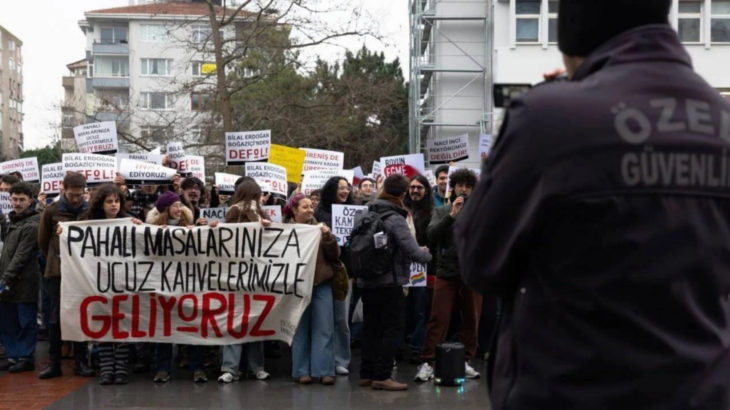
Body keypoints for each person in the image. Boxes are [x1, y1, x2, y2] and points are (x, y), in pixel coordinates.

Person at [456, 0, 730, 407]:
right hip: (700, 390)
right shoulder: (722, 121)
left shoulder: (549, 118)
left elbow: (480, 260)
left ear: (575, 32)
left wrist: (521, 131)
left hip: (572, 389)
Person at [357, 174, 432, 391]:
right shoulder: (395, 218)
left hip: (367, 281)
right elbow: (412, 251)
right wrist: (427, 255)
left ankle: (366, 373)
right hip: (390, 282)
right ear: (401, 194)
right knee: (392, 328)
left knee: (371, 328)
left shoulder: (366, 212)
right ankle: (383, 375)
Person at [415, 169, 481, 382]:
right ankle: (428, 361)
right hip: (447, 272)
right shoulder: (442, 211)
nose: (464, 189)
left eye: (468, 186)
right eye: (460, 185)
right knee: (438, 318)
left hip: (472, 273)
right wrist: (452, 216)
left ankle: (466, 360)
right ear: (453, 188)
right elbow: (431, 235)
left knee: (472, 319)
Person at [37, 172, 94, 379]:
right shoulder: (51, 211)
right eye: (72, 195)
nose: (76, 199)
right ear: (63, 189)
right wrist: (56, 259)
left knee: (79, 317)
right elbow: (43, 241)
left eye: (79, 195)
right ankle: (54, 364)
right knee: (54, 319)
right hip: (57, 273)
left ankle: (81, 363)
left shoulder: (89, 211)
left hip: (81, 274)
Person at [148, 191, 208, 383]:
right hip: (163, 286)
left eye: (180, 205)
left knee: (192, 327)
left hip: (188, 286)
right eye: (174, 205)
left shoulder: (189, 226)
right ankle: (163, 368)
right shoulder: (153, 229)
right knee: (164, 328)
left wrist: (207, 229)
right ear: (166, 209)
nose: (179, 209)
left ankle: (197, 367)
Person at [217, 180, 272, 383]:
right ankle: (231, 367)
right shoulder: (234, 210)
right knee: (234, 321)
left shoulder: (262, 213)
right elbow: (229, 237)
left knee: (255, 321)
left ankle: (256, 366)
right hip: (236, 274)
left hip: (256, 274)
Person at [284, 194, 339, 385]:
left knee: (324, 328)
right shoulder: (283, 231)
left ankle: (324, 370)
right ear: (294, 209)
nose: (310, 210)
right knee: (300, 329)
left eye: (311, 207)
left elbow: (335, 255)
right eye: (305, 207)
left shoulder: (320, 228)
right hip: (296, 286)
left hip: (320, 283)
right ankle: (301, 371)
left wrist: (328, 237)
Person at [0, 182, 41, 373]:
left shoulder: (33, 223)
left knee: (25, 321)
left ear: (30, 201)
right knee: (7, 320)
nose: (17, 203)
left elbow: (21, 256)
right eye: (14, 199)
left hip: (24, 281)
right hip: (7, 280)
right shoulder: (12, 222)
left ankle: (25, 356)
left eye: (21, 200)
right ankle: (13, 355)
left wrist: (5, 278)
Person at [314, 176, 353, 376]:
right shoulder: (318, 213)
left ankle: (341, 360)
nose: (345, 191)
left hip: (345, 272)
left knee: (341, 320)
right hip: (324, 271)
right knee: (324, 320)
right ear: (331, 190)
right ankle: (324, 359)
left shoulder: (355, 212)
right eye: (341, 188)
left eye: (347, 188)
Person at [402, 174, 434, 363]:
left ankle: (416, 347)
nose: (415, 190)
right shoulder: (401, 209)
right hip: (403, 265)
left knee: (420, 309)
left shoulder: (432, 211)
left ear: (426, 190)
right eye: (412, 187)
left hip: (422, 267)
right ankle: (399, 347)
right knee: (402, 307)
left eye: (419, 187)